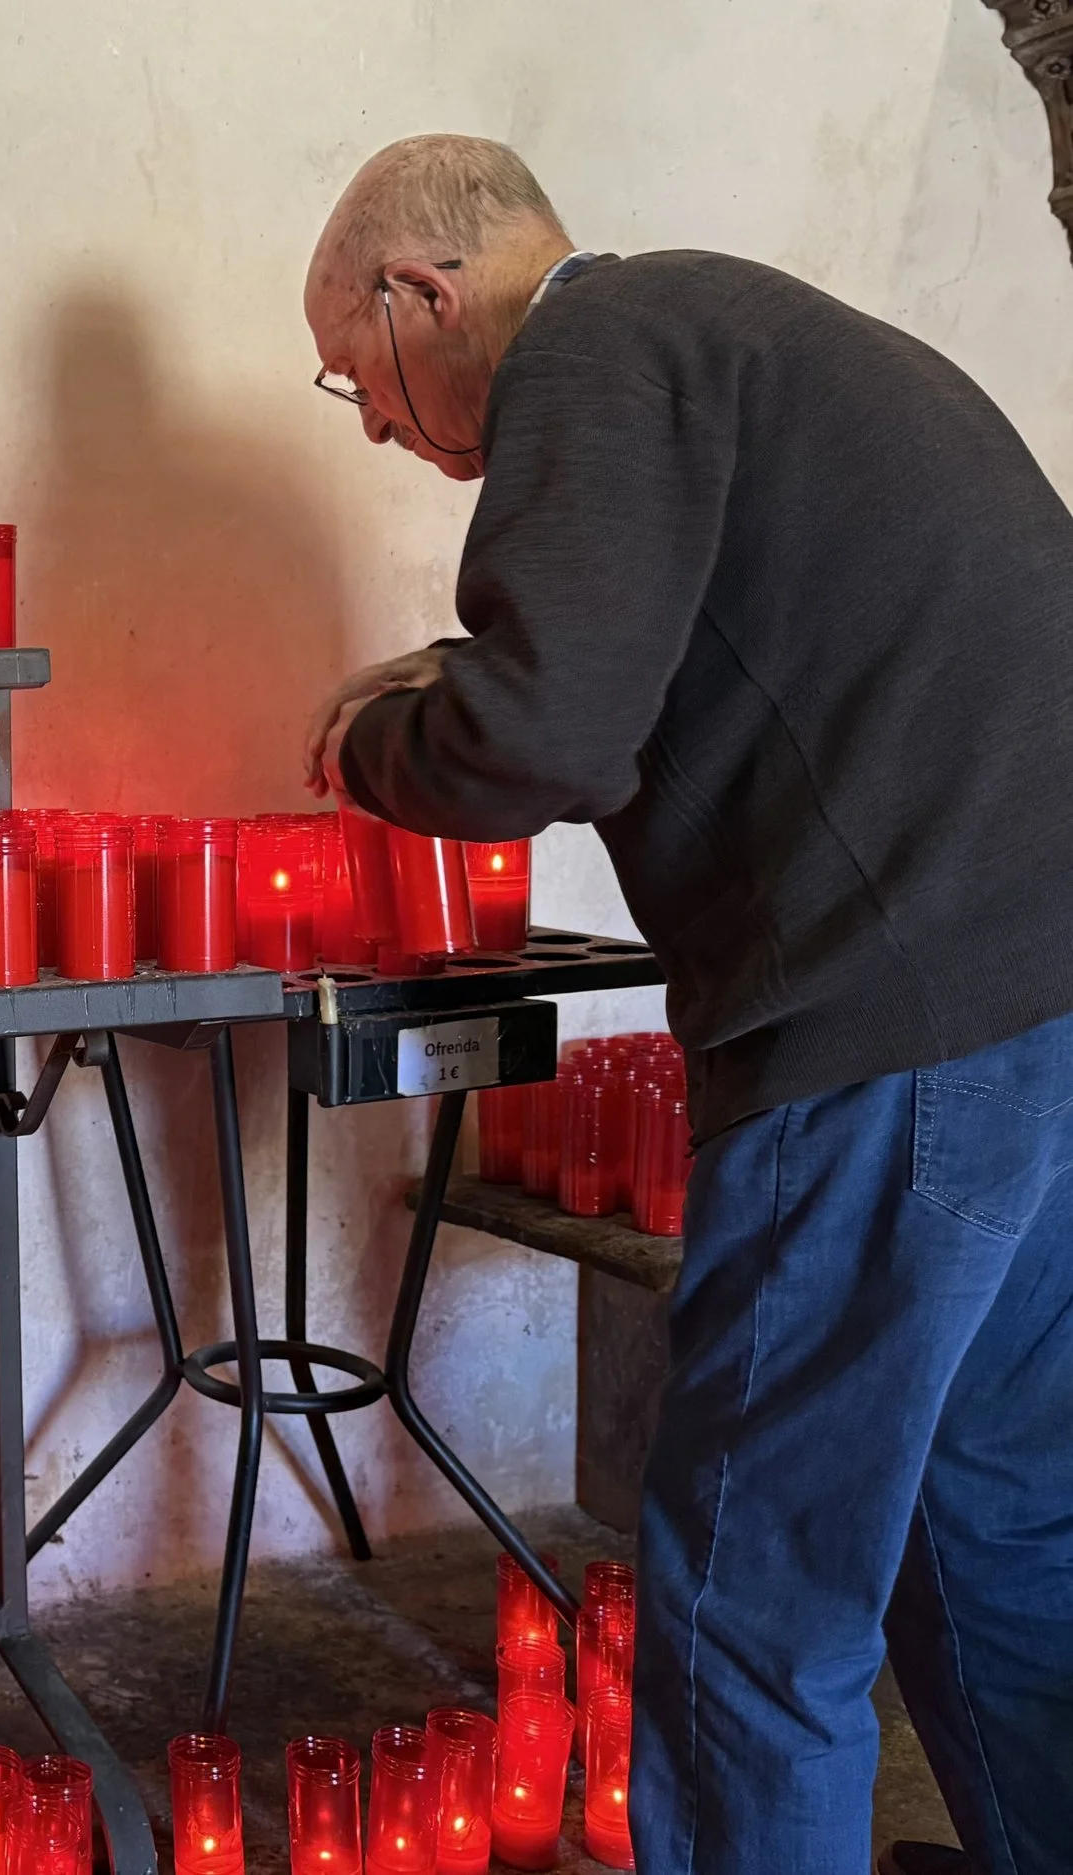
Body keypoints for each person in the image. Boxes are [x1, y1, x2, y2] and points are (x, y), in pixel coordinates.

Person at [298, 135, 1073, 1875]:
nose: (372, 425)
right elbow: (644, 651)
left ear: (425, 295)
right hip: (1047, 1008)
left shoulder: (591, 350)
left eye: (358, 375)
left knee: (748, 1594)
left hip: (892, 1036)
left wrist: (372, 744)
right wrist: (462, 673)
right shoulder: (733, 334)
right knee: (1001, 1535)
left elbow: (551, 733)